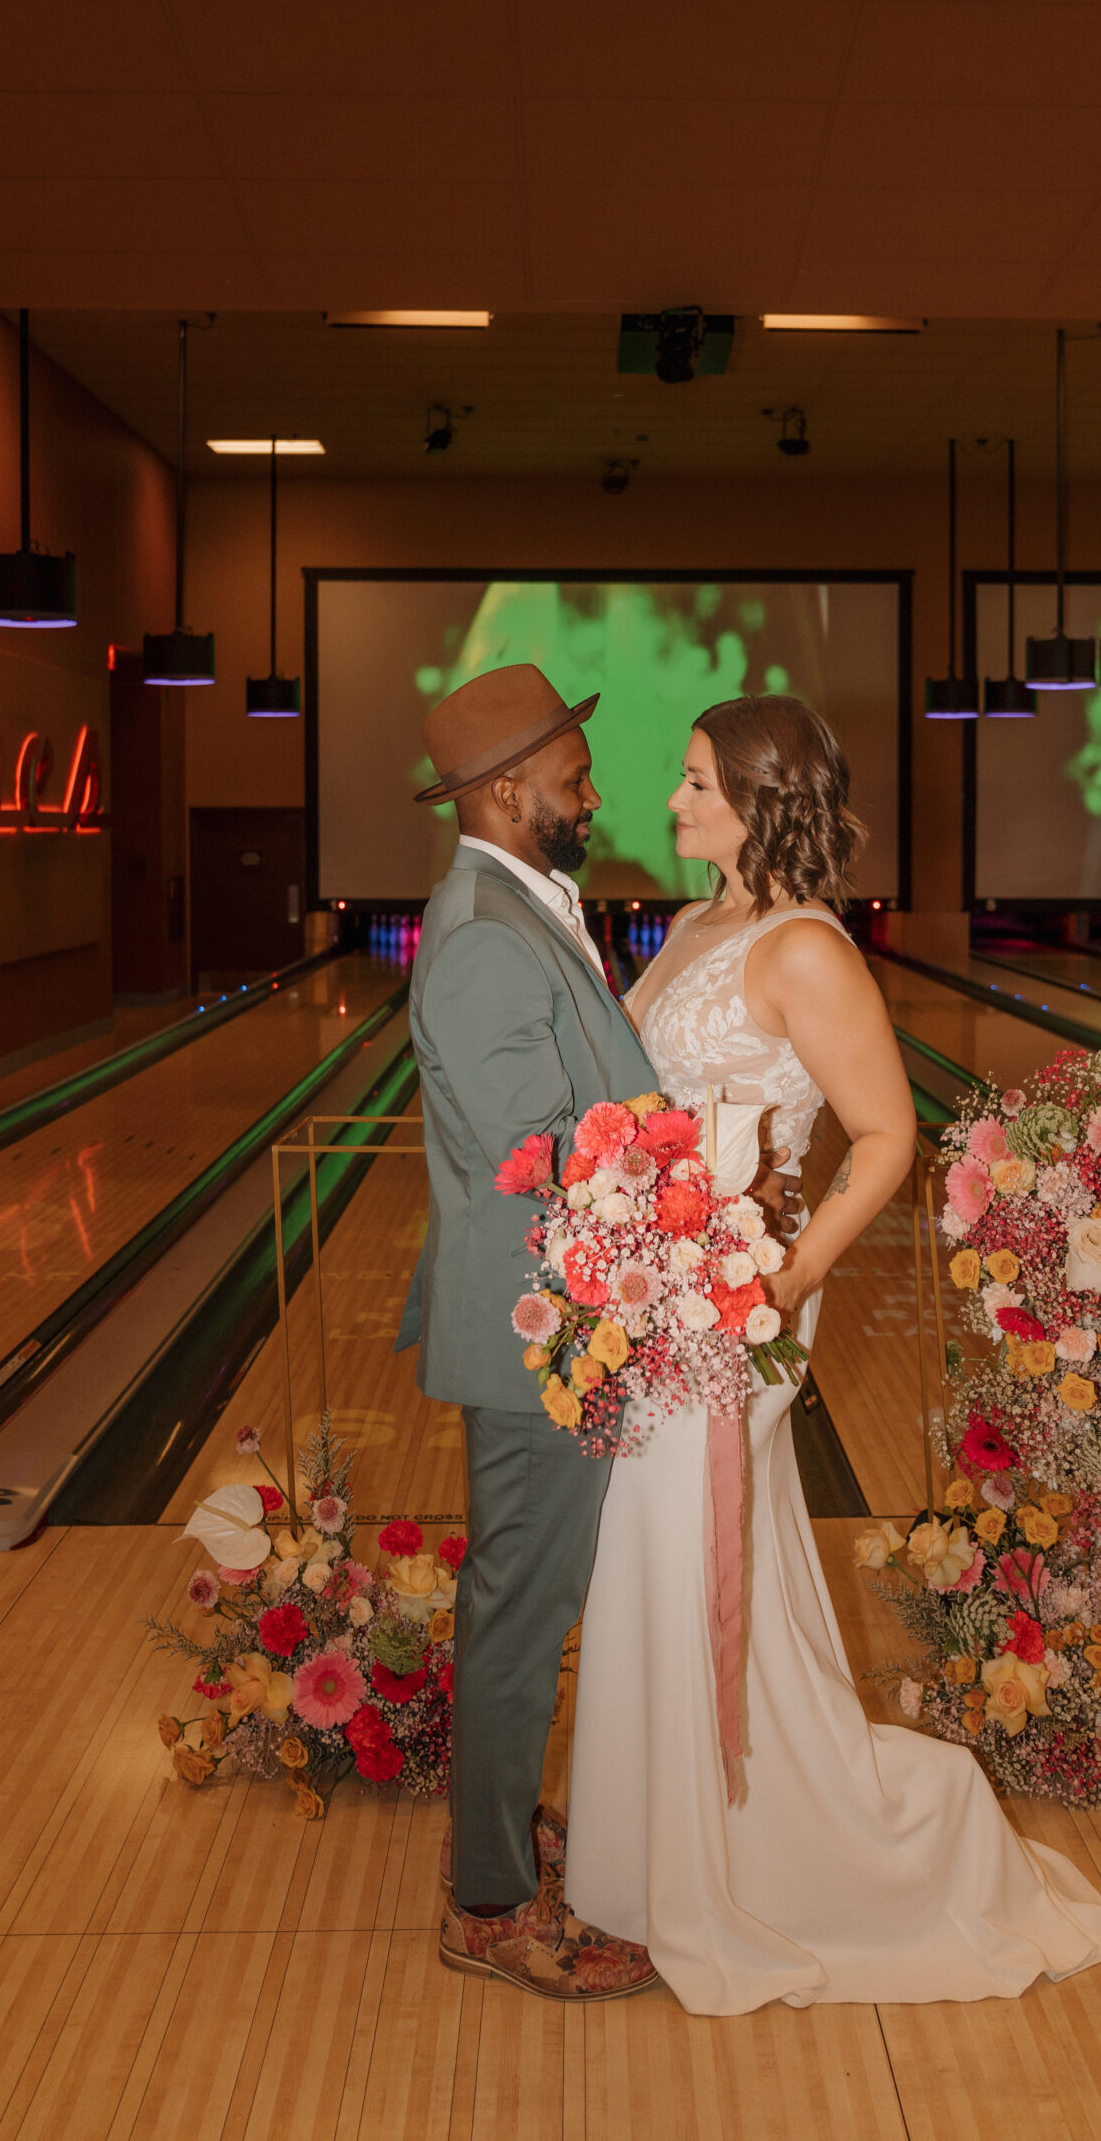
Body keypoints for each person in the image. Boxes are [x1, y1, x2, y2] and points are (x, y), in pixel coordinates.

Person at [565, 694, 1101, 2014]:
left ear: (762, 802)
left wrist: (786, 1275)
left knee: (688, 1553)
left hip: (733, 1310)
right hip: (656, 1300)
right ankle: (660, 1858)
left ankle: (757, 1860)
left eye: (696, 783)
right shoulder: (702, 923)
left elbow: (883, 1138)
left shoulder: (806, 950)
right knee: (656, 1562)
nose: (674, 802)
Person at [400, 664, 661, 2002]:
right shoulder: (489, 934)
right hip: (542, 1338)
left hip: (568, 1322)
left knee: (527, 1600)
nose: (592, 795)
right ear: (509, 793)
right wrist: (694, 1152)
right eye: (573, 779)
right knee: (520, 1612)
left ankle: (505, 1833)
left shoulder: (522, 903)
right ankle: (492, 1902)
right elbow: (534, 1150)